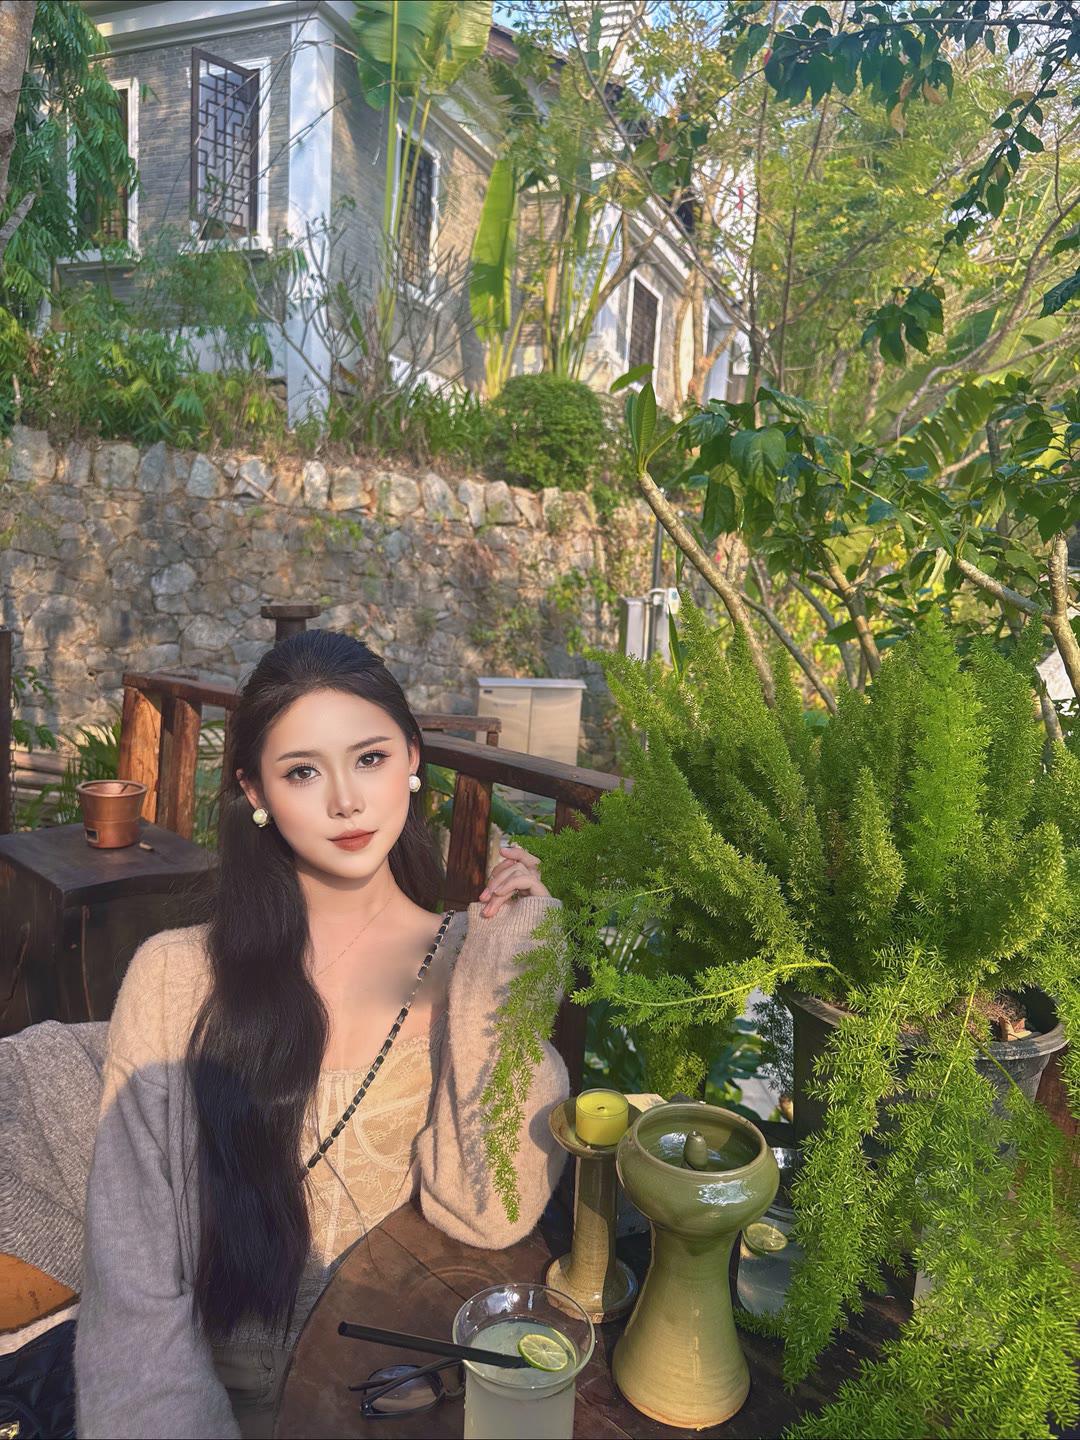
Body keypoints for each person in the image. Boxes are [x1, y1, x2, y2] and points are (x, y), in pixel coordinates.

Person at [72, 630, 569, 1439]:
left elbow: (487, 1212)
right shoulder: (173, 976)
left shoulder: (469, 966)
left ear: (413, 760)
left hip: (383, 1410)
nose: (346, 801)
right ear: (255, 791)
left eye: (370, 758)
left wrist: (508, 961)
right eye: (303, 771)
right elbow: (132, 1292)